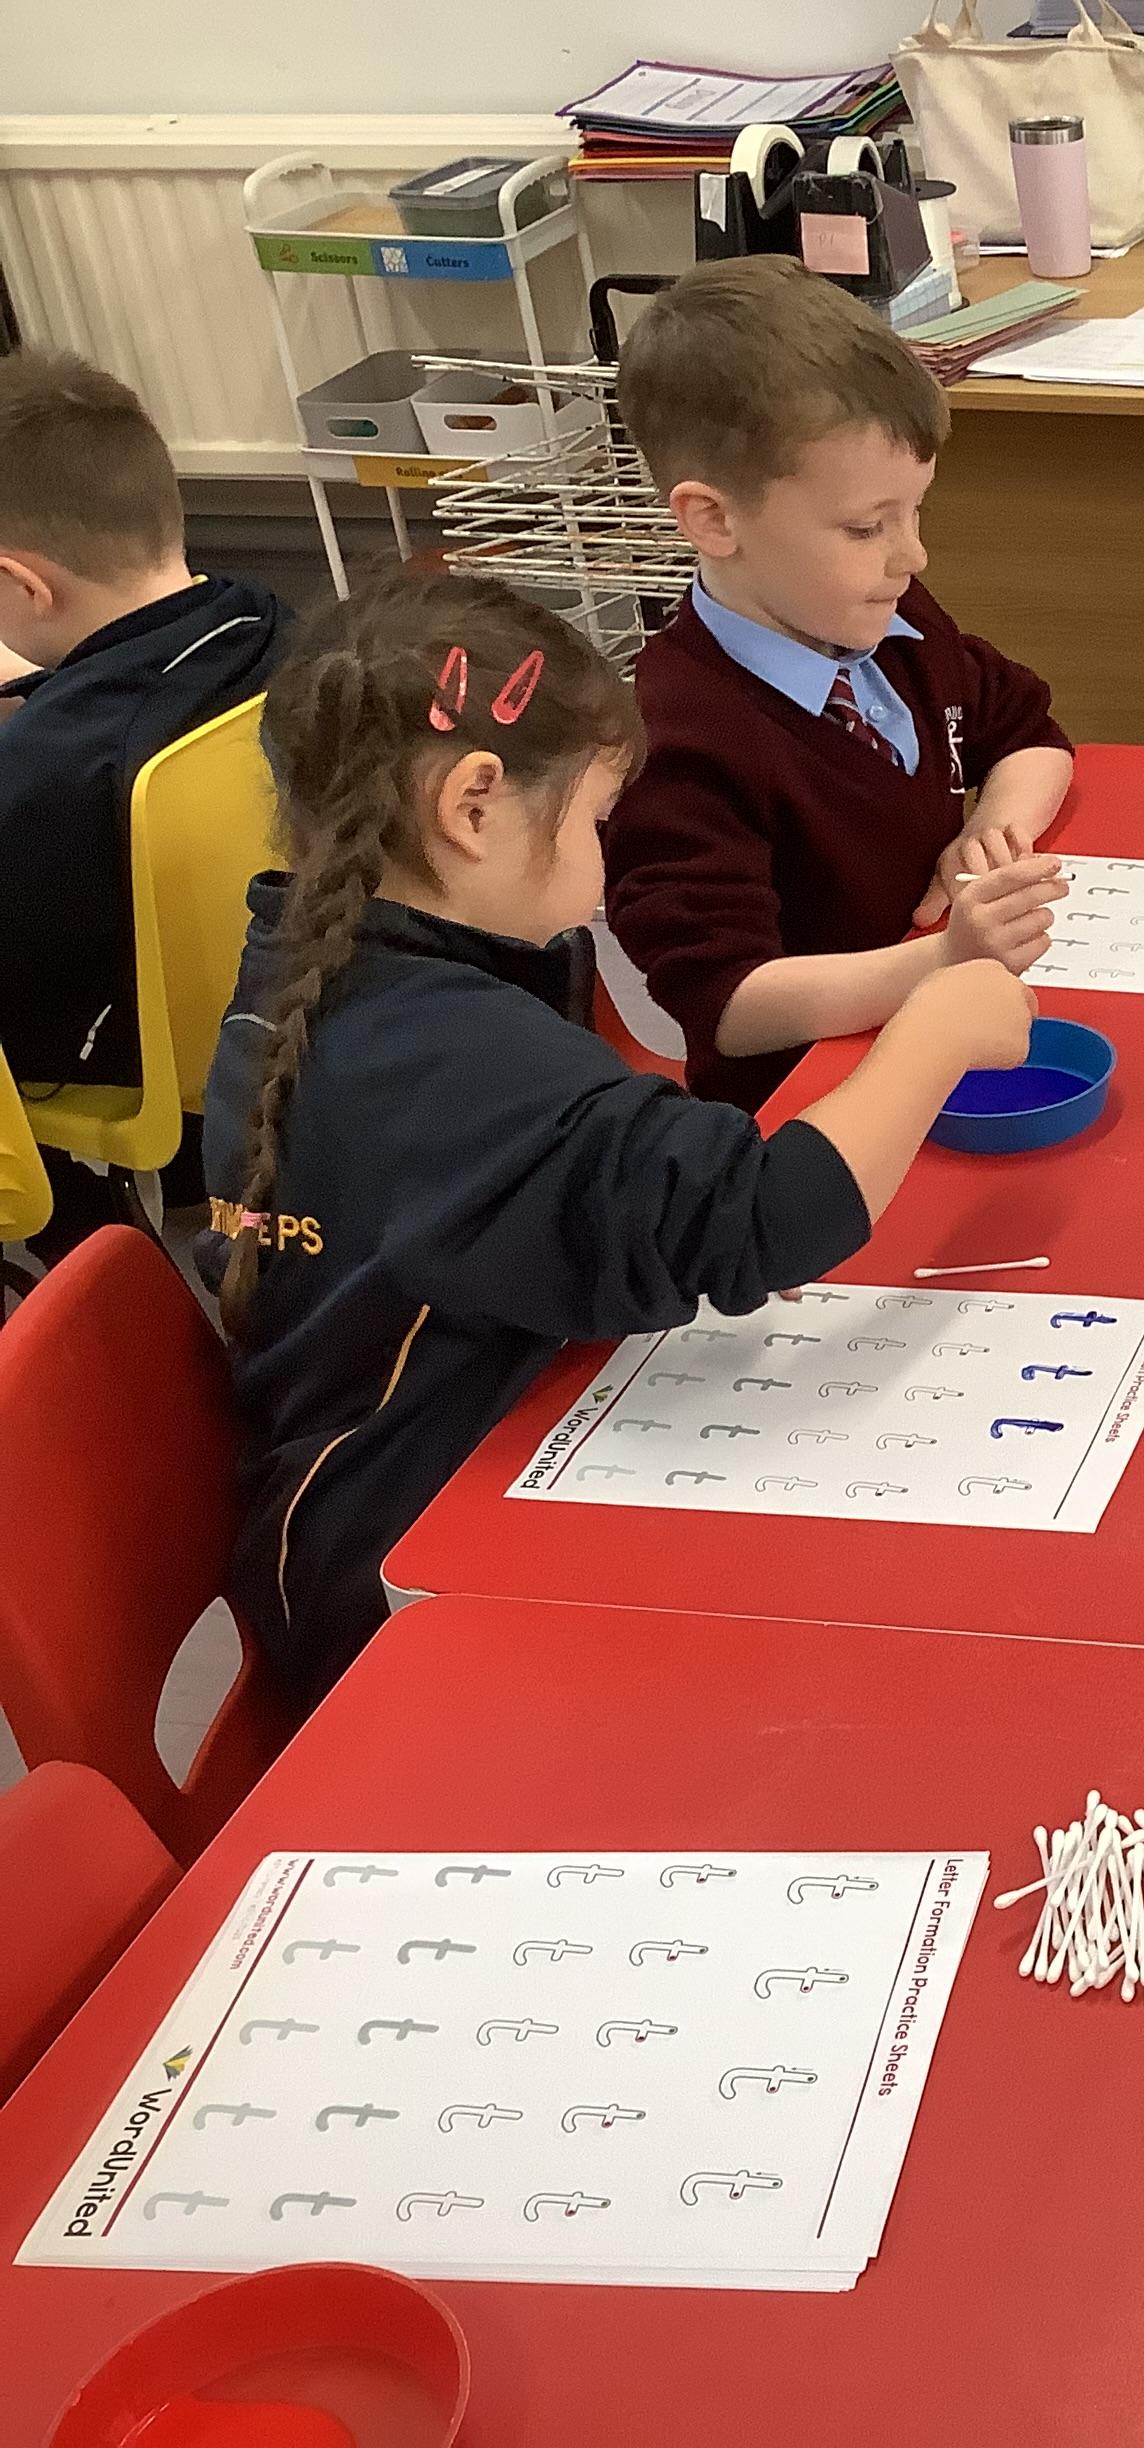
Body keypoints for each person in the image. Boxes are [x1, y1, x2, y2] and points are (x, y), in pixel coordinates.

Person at [205, 571, 1033, 1701]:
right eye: (598, 822)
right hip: (405, 1592)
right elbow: (763, 1218)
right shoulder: (448, 1056)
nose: (606, 868)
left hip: (420, 1467)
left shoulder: (323, 964)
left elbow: (538, 1185)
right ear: (473, 807)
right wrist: (937, 1031)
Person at [601, 256, 1071, 1111]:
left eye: (914, 510)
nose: (911, 555)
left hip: (940, 1052)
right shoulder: (676, 736)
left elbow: (1029, 732)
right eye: (865, 528)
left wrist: (992, 833)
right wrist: (941, 960)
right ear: (714, 519)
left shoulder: (889, 619)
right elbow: (729, 1004)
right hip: (806, 1114)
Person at [0, 350, 289, 1249]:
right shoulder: (275, 626)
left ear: (22, 584)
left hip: (127, 1053)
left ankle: (77, 1246)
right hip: (264, 1000)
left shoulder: (50, 765)